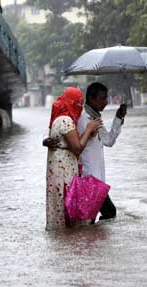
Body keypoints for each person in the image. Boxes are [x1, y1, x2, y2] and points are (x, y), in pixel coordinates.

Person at [45, 87, 102, 230]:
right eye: (78, 103)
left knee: (60, 205)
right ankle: (69, 237)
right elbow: (77, 148)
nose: (80, 107)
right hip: (64, 172)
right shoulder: (66, 120)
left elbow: (67, 141)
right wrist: (88, 129)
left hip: (57, 171)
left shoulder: (58, 118)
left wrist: (88, 134)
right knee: (68, 206)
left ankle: (62, 240)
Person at [77, 82, 127, 222]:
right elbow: (73, 142)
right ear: (92, 99)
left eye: (106, 98)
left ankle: (96, 240)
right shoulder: (81, 118)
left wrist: (118, 118)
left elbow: (109, 140)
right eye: (103, 98)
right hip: (89, 178)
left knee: (93, 218)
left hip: (98, 179)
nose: (106, 102)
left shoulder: (95, 119)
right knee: (107, 213)